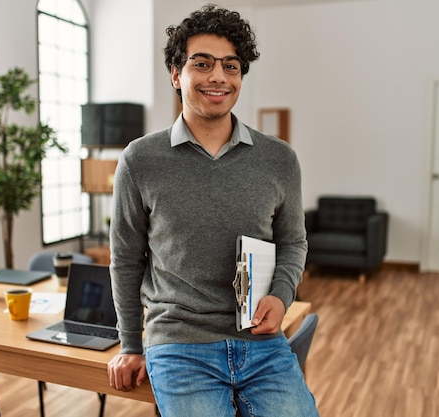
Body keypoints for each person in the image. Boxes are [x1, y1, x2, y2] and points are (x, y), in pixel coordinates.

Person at [107, 4, 319, 417]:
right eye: (201, 63)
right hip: (180, 345)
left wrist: (281, 295)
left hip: (262, 344)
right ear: (175, 73)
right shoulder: (140, 160)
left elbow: (293, 241)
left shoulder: (279, 160)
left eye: (231, 66)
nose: (218, 76)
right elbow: (125, 259)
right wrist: (131, 343)